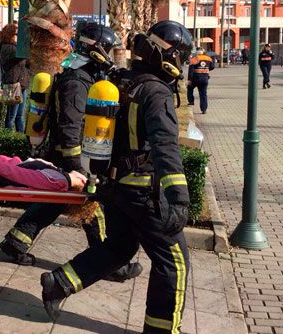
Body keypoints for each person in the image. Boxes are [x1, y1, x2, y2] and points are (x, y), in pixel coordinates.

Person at [39, 21, 193, 334]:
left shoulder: (117, 81)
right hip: (144, 192)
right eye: (181, 56)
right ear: (168, 57)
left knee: (120, 247)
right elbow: (165, 147)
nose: (182, 63)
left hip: (114, 188)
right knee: (173, 262)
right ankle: (161, 330)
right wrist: (178, 197)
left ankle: (59, 282)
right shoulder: (156, 91)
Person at [0, 22, 142, 282]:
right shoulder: (78, 81)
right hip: (70, 154)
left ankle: (16, 241)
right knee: (93, 203)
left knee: (57, 201)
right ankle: (109, 263)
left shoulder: (78, 73)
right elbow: (70, 124)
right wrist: (78, 163)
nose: (109, 56)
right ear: (96, 50)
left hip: (62, 152)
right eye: (107, 50)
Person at [0, 23, 30, 132]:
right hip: (13, 83)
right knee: (11, 116)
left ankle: (19, 137)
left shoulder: (14, 46)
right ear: (11, 34)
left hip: (21, 84)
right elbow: (21, 56)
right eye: (16, 33)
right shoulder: (8, 47)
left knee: (19, 116)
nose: (18, 35)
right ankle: (8, 136)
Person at [186, 48, 214, 114]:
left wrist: (189, 80)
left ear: (197, 53)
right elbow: (212, 66)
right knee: (203, 94)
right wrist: (205, 70)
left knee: (189, 88)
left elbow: (191, 71)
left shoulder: (194, 59)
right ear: (203, 52)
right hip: (205, 79)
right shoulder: (208, 58)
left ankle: (191, 101)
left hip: (195, 78)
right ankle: (204, 109)